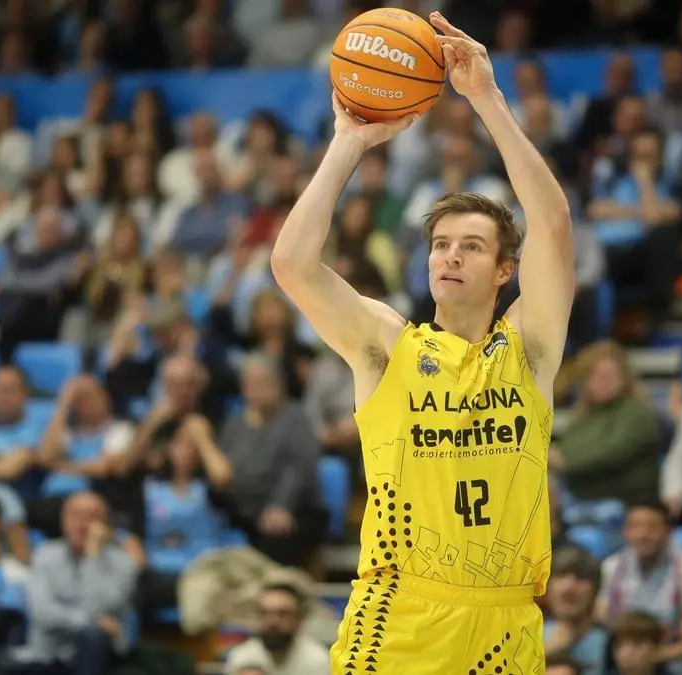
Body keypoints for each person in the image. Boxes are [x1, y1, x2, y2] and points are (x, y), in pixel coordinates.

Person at [271, 12, 574, 672]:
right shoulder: (386, 345)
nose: (450, 256)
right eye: (440, 245)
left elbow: (551, 225)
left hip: (505, 623)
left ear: (505, 270)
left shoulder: (530, 348)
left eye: (472, 246)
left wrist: (486, 98)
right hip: (400, 612)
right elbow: (291, 265)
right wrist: (349, 140)